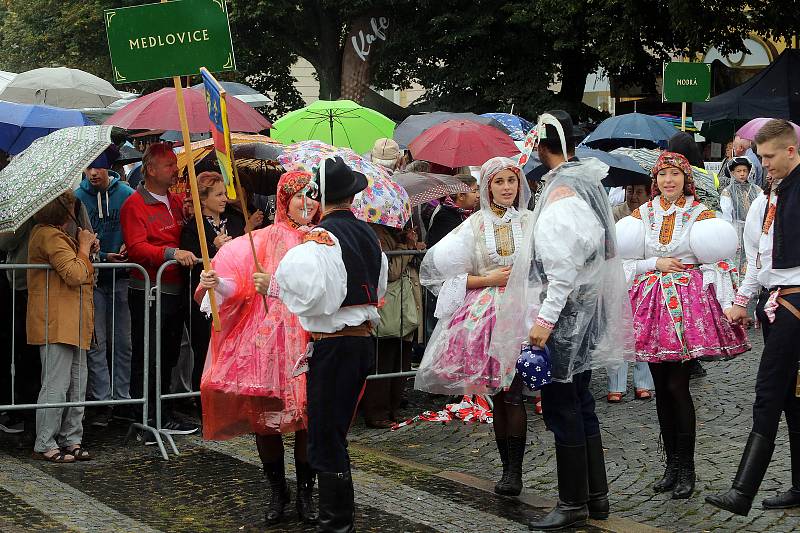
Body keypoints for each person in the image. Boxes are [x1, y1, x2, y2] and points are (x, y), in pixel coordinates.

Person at [491, 110, 633, 531]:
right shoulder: (584, 183)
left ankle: (573, 501)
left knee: (562, 406)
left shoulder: (562, 195)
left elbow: (562, 270)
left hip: (568, 318)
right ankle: (596, 496)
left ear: (540, 146)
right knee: (582, 404)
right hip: (586, 313)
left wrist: (544, 323)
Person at [616, 151, 749, 501]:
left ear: (685, 178)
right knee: (662, 387)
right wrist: (654, 262)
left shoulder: (699, 214)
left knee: (678, 386)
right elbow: (624, 262)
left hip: (686, 313)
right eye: (662, 176)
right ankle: (670, 466)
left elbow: (720, 261)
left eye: (675, 174)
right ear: (655, 180)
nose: (668, 181)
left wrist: (712, 285)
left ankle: (686, 468)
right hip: (651, 307)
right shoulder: (641, 215)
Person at [269, 156, 388, 532]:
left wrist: (273, 285)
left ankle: (336, 524)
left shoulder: (320, 239)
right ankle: (337, 520)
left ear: (320, 198)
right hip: (359, 342)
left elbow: (316, 296)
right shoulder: (369, 234)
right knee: (331, 433)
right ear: (351, 197)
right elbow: (379, 287)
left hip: (335, 344)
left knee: (325, 436)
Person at [197, 171, 321, 525]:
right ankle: (277, 491)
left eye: (311, 196)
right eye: (299, 195)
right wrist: (216, 281)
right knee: (265, 420)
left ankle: (305, 494)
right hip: (267, 341)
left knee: (306, 419)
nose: (307, 203)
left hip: (309, 337)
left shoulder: (323, 239)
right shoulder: (263, 239)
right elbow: (237, 279)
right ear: (284, 200)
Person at [415, 156, 533, 497]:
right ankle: (508, 468)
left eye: (512, 181)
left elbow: (546, 265)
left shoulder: (530, 221)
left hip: (523, 313)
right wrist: (486, 278)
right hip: (486, 316)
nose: (507, 188)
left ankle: (516, 470)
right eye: (500, 182)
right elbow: (437, 270)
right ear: (487, 187)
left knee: (515, 394)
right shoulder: (474, 225)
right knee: (500, 392)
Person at [706, 120, 800, 515]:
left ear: (791, 150)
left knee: (768, 393)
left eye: (768, 157)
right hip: (778, 303)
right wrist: (743, 299)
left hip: (794, 306)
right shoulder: (773, 197)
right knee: (794, 400)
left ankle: (743, 492)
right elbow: (760, 259)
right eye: (759, 157)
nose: (762, 164)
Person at [120, 143, 199, 437]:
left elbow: (182, 235)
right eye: (169, 165)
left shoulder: (176, 201)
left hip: (175, 287)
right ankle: (147, 414)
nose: (175, 170)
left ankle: (162, 411)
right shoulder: (134, 204)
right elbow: (138, 247)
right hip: (149, 289)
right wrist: (171, 254)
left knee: (167, 354)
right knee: (148, 353)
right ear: (150, 169)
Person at [27, 191, 96, 463]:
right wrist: (83, 247)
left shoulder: (56, 235)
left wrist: (86, 248)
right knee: (56, 384)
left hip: (74, 319)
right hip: (57, 320)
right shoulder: (47, 236)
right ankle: (45, 441)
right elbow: (75, 274)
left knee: (78, 383)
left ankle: (71, 438)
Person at [75, 166, 135, 427]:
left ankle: (121, 397)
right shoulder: (78, 198)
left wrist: (130, 244)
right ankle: (102, 400)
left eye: (98, 167)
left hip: (122, 277)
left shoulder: (126, 195)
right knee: (96, 342)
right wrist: (100, 256)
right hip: (94, 279)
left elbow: (137, 227)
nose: (93, 173)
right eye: (88, 168)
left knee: (123, 342)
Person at [179, 172, 232, 414]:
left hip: (231, 296)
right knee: (204, 348)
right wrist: (214, 247)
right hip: (205, 299)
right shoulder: (193, 228)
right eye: (219, 194)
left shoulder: (235, 221)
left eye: (224, 193)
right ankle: (204, 403)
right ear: (204, 199)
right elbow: (192, 259)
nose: (224, 199)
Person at [362, 222, 423, 428]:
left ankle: (391, 408)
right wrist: (406, 247)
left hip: (402, 310)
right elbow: (391, 271)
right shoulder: (376, 233)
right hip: (390, 309)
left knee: (400, 360)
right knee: (384, 362)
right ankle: (377, 412)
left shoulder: (392, 232)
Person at [607, 184, 654, 403]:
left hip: (645, 278)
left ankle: (643, 382)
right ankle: (615, 383)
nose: (633, 196)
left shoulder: (654, 216)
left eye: (639, 192)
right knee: (618, 329)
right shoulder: (615, 214)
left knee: (644, 329)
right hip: (618, 276)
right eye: (629, 190)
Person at [719, 157, 762, 276]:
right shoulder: (728, 191)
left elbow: (761, 210)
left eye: (745, 170)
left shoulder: (757, 190)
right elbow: (726, 214)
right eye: (739, 171)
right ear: (732, 173)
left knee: (753, 255)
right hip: (736, 227)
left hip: (753, 228)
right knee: (737, 256)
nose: (742, 174)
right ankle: (737, 284)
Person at [425, 174, 479, 248]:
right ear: (461, 196)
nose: (478, 195)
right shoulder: (445, 217)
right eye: (474, 192)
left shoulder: (465, 214)